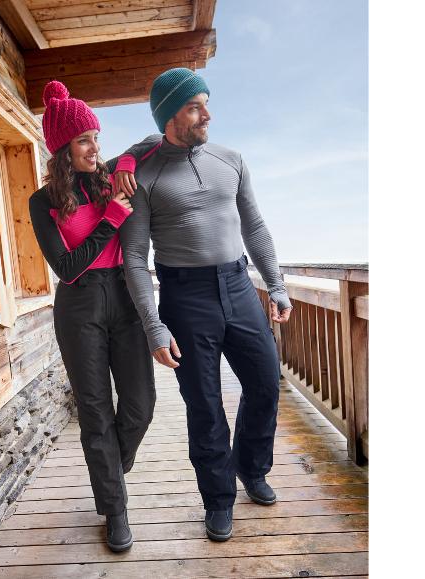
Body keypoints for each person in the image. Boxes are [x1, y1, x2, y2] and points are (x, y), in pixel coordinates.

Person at [114, 68, 293, 542]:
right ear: (170, 114)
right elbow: (134, 256)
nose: (207, 114)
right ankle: (218, 500)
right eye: (195, 106)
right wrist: (153, 326)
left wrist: (275, 284)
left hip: (237, 285)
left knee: (265, 382)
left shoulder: (231, 159)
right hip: (184, 296)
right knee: (205, 407)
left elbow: (254, 226)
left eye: (206, 103)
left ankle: (252, 469)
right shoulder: (143, 174)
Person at [28, 80, 160, 552]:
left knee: (142, 404)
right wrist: (110, 221)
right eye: (85, 140)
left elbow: (152, 141)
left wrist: (123, 163)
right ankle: (115, 509)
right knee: (96, 413)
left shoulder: (107, 177)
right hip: (79, 303)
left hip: (123, 298)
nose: (94, 147)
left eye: (97, 139)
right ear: (63, 148)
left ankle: (110, 474)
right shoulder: (42, 202)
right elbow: (65, 267)